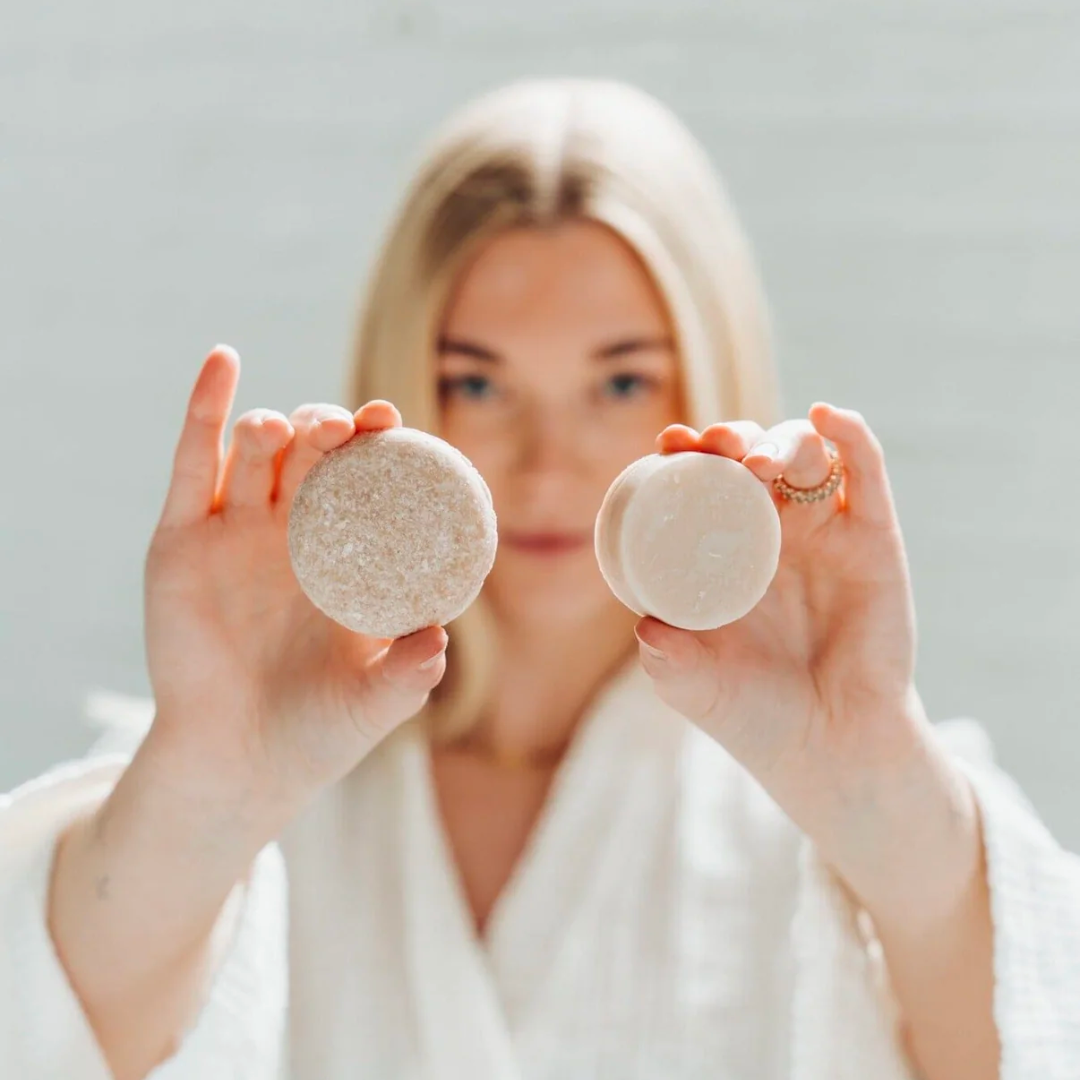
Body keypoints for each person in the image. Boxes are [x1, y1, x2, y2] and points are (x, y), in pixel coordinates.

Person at [1, 77, 1077, 1080]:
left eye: (621, 381)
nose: (550, 465)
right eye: (479, 383)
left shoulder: (832, 785)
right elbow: (44, 1031)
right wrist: (204, 791)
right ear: (405, 384)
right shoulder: (249, 750)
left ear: (706, 380)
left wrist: (875, 783)